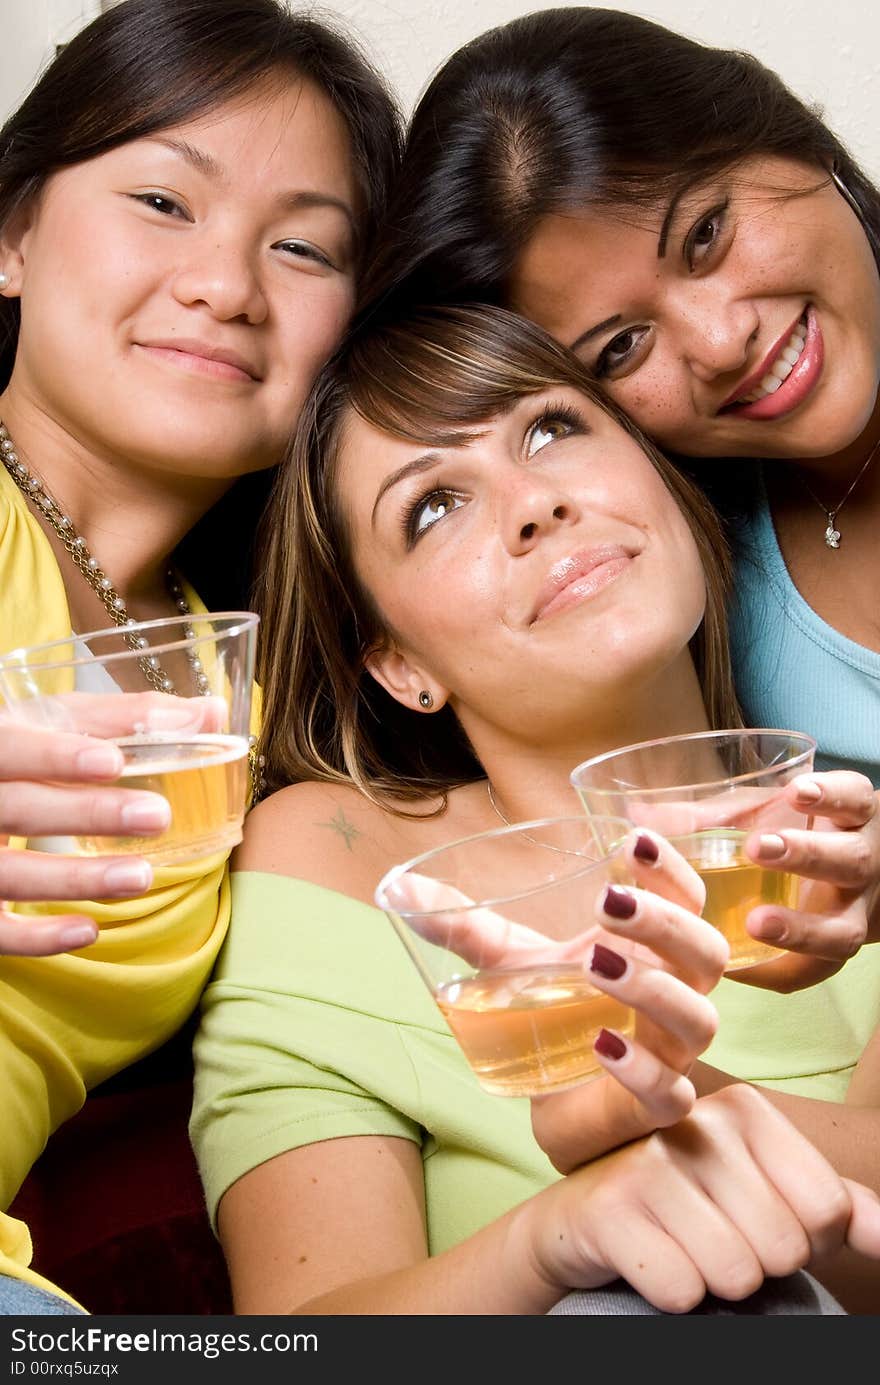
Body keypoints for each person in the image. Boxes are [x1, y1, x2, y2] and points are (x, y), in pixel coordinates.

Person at [191, 304, 880, 1314]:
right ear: (398, 661)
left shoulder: (845, 838)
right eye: (432, 506)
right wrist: (548, 1241)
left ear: (665, 480)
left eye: (550, 428)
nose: (532, 505)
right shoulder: (342, 858)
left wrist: (655, 1111)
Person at [0, 0, 400, 1311]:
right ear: (13, 234)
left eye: (299, 246)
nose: (226, 285)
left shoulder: (251, 687)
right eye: (165, 203)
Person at [362, 7, 880, 793]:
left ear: (783, 126)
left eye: (705, 234)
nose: (719, 342)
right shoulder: (679, 586)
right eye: (620, 347)